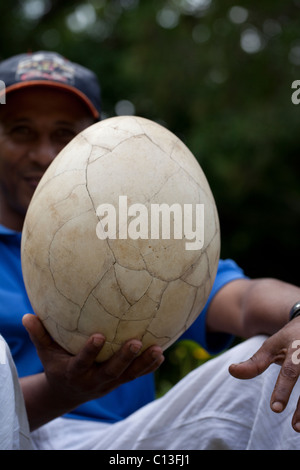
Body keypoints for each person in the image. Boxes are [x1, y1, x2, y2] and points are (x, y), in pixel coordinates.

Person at [0, 51, 300, 450]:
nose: (42, 154)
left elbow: (243, 299)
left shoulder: (136, 233)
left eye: (64, 134)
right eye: (21, 131)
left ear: (89, 141)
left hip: (128, 446)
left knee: (286, 363)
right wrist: (62, 392)